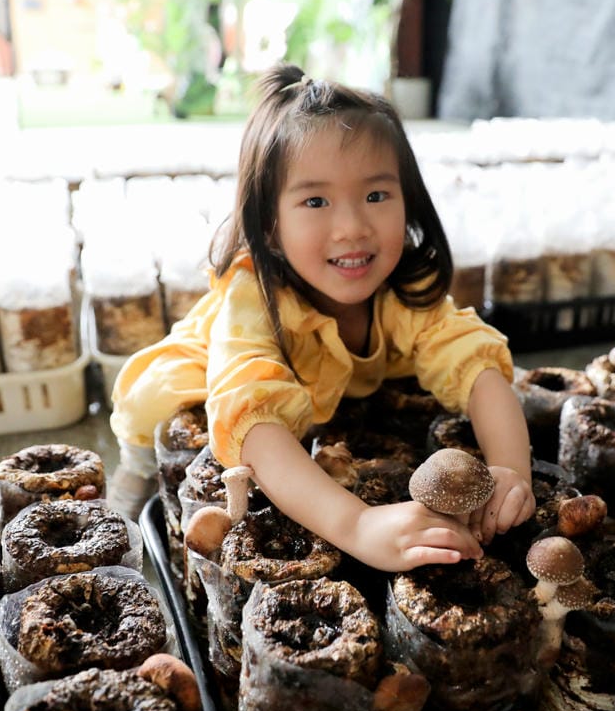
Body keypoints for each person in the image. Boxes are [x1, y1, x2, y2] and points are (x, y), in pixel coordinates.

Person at [109, 64, 534, 573]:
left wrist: (510, 470)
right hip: (196, 396)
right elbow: (253, 422)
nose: (353, 227)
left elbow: (477, 367)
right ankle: (128, 501)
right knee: (140, 519)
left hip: (317, 397)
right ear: (268, 227)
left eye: (377, 196)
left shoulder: (400, 288)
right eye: (315, 201)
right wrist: (357, 525)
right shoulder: (255, 297)